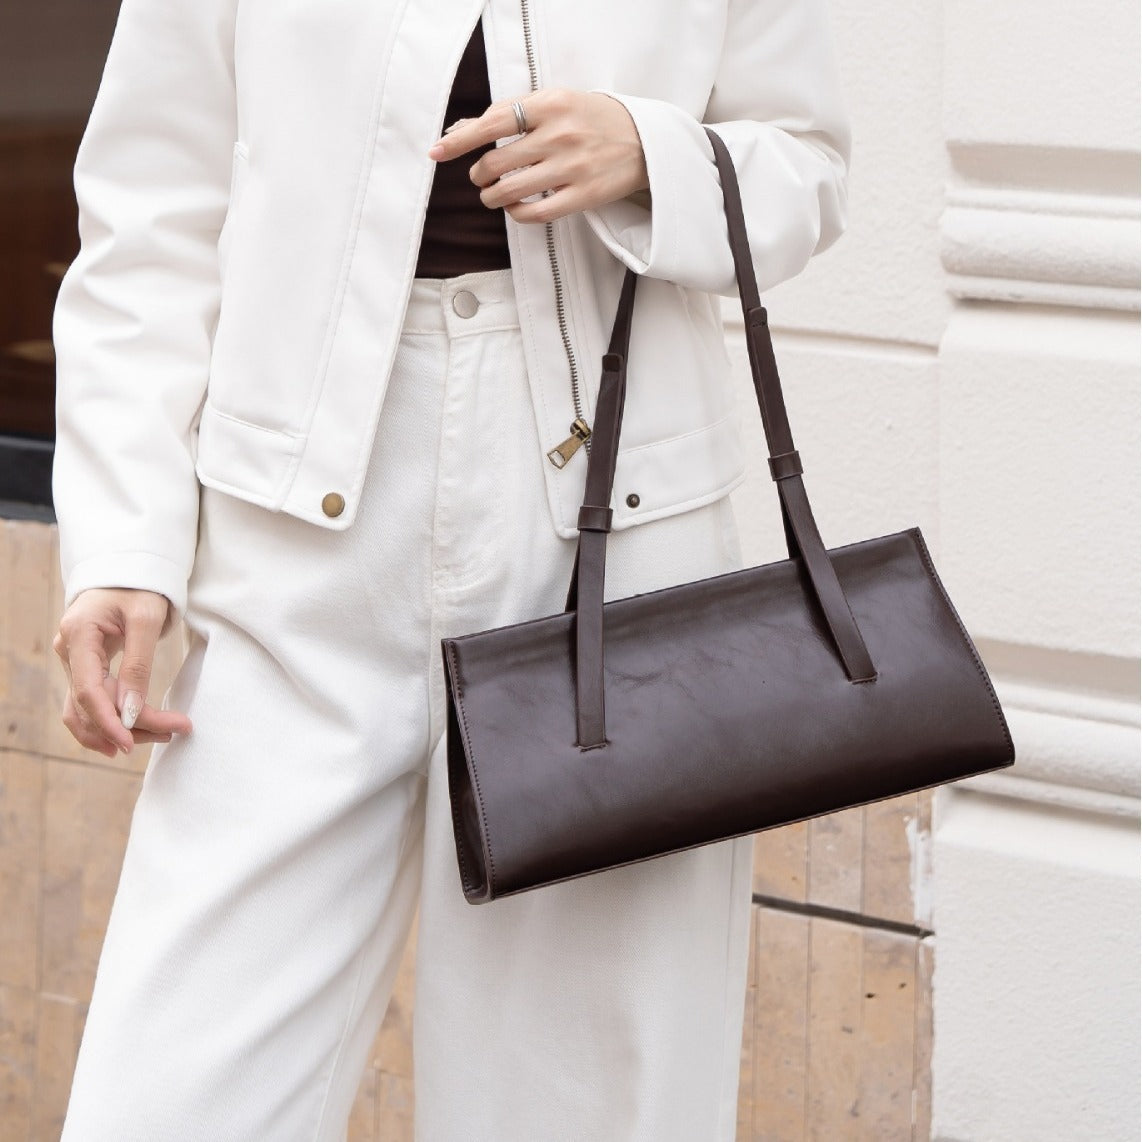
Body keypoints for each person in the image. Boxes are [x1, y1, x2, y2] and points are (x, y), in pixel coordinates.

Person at [50, 1, 850, 1138]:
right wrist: (128, 541)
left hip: (609, 546)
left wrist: (646, 151)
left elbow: (805, 170)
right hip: (296, 542)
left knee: (582, 1100)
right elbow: (151, 214)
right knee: (172, 1090)